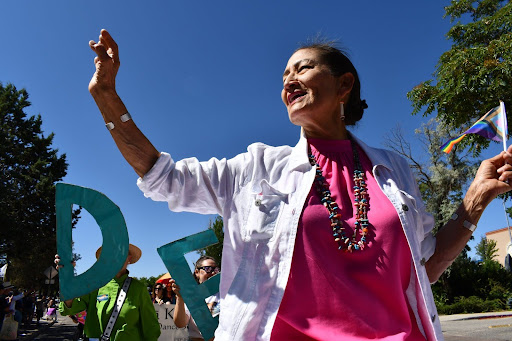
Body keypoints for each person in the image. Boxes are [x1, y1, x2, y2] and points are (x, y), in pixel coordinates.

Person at [87, 29, 512, 340]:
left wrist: (476, 199)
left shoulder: (395, 172)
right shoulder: (254, 168)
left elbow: (425, 269)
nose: (288, 80)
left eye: (303, 68)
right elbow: (164, 178)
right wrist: (108, 98)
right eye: (284, 74)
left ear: (344, 85)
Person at [58, 244, 161, 340]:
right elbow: (69, 308)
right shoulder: (94, 284)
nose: (116, 257)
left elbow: (151, 328)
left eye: (121, 253)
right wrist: (66, 277)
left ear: (129, 258)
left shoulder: (139, 289)